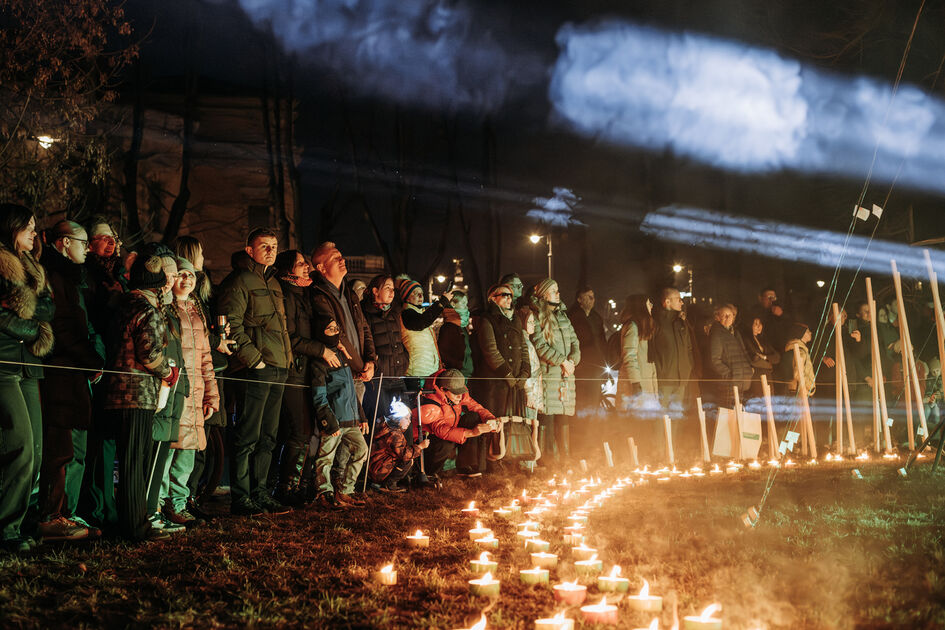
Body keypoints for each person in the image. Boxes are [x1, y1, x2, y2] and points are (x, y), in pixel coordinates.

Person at [217, 228, 293, 516]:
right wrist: (255, 360)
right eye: (264, 246)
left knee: (268, 437)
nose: (271, 251)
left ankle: (259, 493)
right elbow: (230, 325)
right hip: (255, 371)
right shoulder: (238, 281)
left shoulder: (272, 281)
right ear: (249, 250)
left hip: (278, 368)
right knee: (247, 435)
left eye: (274, 246)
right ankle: (242, 497)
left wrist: (286, 361)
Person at [102, 253, 177, 541]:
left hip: (115, 392)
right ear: (157, 288)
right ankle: (135, 527)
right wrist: (167, 373)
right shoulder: (148, 310)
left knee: (125, 459)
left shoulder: (120, 306)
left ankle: (127, 522)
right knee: (135, 462)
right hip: (137, 395)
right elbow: (149, 353)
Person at [38, 221, 104, 542]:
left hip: (72, 372)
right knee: (59, 448)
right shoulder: (56, 275)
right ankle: (50, 516)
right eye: (82, 242)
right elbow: (64, 326)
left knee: (72, 447)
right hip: (61, 373)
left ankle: (64, 511)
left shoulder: (70, 276)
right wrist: (91, 359)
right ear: (64, 243)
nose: (87, 248)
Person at [0, 204, 55, 552]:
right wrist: (33, 329)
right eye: (29, 227)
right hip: (3, 363)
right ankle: (5, 531)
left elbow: (49, 308)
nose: (35, 233)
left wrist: (25, 314)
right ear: (11, 227)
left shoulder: (34, 266)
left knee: (34, 450)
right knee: (18, 446)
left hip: (29, 367)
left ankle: (19, 523)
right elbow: (3, 319)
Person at [173, 236, 232, 516]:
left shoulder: (197, 303)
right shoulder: (176, 305)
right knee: (181, 449)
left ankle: (185, 500)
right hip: (181, 384)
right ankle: (177, 503)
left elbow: (204, 355)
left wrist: (211, 393)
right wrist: (214, 342)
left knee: (197, 446)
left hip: (201, 381)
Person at [272, 250, 334, 506]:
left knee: (306, 432)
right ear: (288, 270)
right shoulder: (286, 295)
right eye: (300, 265)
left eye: (306, 263)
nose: (307, 268)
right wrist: (321, 349)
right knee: (299, 432)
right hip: (293, 372)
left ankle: (298, 485)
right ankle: (285, 487)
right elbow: (291, 337)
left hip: (307, 371)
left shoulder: (305, 293)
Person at [161, 257, 219, 526]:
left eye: (191, 276)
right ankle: (160, 503)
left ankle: (179, 503)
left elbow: (206, 357)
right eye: (181, 275)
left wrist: (211, 395)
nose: (186, 280)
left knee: (187, 453)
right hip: (175, 390)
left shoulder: (197, 311)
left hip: (196, 393)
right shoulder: (166, 309)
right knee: (169, 451)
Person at [309, 313, 369, 510]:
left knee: (362, 450)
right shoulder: (320, 362)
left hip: (351, 420)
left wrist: (361, 416)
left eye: (337, 329)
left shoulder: (342, 355)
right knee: (326, 457)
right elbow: (319, 396)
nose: (335, 333)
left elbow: (351, 390)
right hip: (335, 421)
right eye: (331, 329)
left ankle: (345, 490)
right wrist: (328, 421)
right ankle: (324, 492)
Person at [413, 369, 497, 480]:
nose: (460, 396)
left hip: (449, 431)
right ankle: (429, 473)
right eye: (456, 393)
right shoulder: (431, 400)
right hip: (427, 441)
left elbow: (476, 407)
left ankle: (466, 466)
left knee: (472, 417)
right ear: (443, 389)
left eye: (461, 391)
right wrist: (472, 432)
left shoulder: (459, 394)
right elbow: (441, 430)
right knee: (446, 444)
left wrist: (490, 419)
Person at [530, 278, 580, 462]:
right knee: (548, 418)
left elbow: (575, 342)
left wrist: (573, 361)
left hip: (565, 376)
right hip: (549, 375)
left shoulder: (563, 316)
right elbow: (540, 345)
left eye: (558, 291)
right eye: (554, 291)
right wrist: (561, 362)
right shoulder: (536, 316)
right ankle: (547, 460)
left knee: (563, 416)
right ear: (543, 295)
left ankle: (564, 458)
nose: (558, 294)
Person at [360, 274, 408, 423]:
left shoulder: (394, 312)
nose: (392, 292)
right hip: (379, 379)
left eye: (393, 289)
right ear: (375, 291)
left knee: (404, 423)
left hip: (398, 376)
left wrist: (404, 359)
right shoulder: (364, 312)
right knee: (381, 424)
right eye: (387, 288)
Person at [650, 288, 695, 417]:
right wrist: (659, 370)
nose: (682, 303)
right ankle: (659, 438)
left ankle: (675, 438)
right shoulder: (656, 323)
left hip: (681, 379)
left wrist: (688, 366)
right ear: (667, 302)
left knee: (676, 416)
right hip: (664, 380)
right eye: (678, 300)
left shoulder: (680, 322)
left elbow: (688, 348)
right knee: (661, 416)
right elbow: (651, 351)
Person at [399, 278, 452, 383]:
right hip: (416, 373)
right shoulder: (407, 314)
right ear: (407, 297)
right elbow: (421, 322)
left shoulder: (419, 313)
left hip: (428, 371)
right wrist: (442, 302)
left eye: (421, 293)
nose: (420, 296)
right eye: (415, 293)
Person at [368, 401, 428, 493]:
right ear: (397, 418)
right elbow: (404, 454)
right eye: (406, 418)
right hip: (379, 471)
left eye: (409, 418)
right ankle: (389, 484)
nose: (409, 421)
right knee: (407, 461)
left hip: (375, 466)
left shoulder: (386, 427)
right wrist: (420, 447)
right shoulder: (395, 434)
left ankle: (383, 482)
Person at [569, 286, 607, 415]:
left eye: (593, 297)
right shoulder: (573, 317)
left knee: (594, 403)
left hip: (596, 369)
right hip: (581, 368)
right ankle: (581, 432)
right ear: (580, 299)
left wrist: (604, 368)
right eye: (589, 297)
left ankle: (591, 431)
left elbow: (602, 344)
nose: (592, 300)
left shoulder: (596, 318)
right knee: (582, 403)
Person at [616, 295, 658, 410]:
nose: (651, 306)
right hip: (636, 385)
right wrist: (635, 383)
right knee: (634, 424)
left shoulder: (643, 328)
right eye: (648, 303)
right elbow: (629, 356)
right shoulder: (632, 326)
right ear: (641, 306)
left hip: (645, 382)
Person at [708, 304, 753, 410]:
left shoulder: (735, 332)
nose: (728, 318)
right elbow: (714, 360)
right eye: (724, 315)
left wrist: (749, 369)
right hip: (728, 383)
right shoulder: (717, 333)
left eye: (730, 315)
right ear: (718, 317)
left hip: (741, 380)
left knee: (738, 412)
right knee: (727, 413)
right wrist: (729, 374)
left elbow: (744, 353)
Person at [742, 316, 781, 398]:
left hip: (767, 375)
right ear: (750, 325)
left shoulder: (763, 340)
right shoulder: (745, 339)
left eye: (760, 323)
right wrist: (769, 364)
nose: (759, 326)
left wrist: (765, 357)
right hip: (757, 375)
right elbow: (754, 359)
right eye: (756, 324)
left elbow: (777, 357)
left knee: (769, 401)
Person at [438, 291, 473, 378]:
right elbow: (444, 353)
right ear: (453, 304)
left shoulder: (462, 325)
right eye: (463, 303)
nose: (466, 307)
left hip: (467, 373)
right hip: (459, 375)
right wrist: (459, 365)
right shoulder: (448, 327)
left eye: (466, 303)